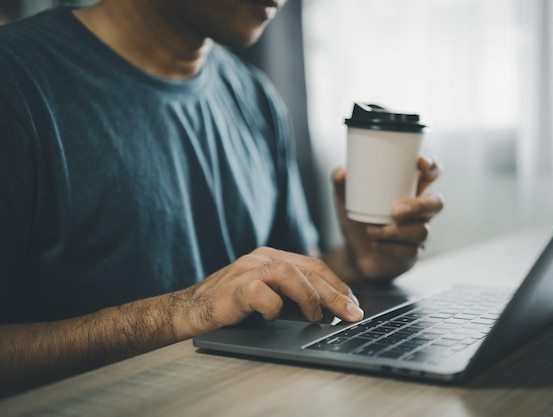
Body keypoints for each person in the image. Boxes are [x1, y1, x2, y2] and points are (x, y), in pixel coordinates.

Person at [0, 0, 443, 397]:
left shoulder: (256, 95)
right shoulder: (15, 78)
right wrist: (181, 313)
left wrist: (357, 261)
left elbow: (280, 278)